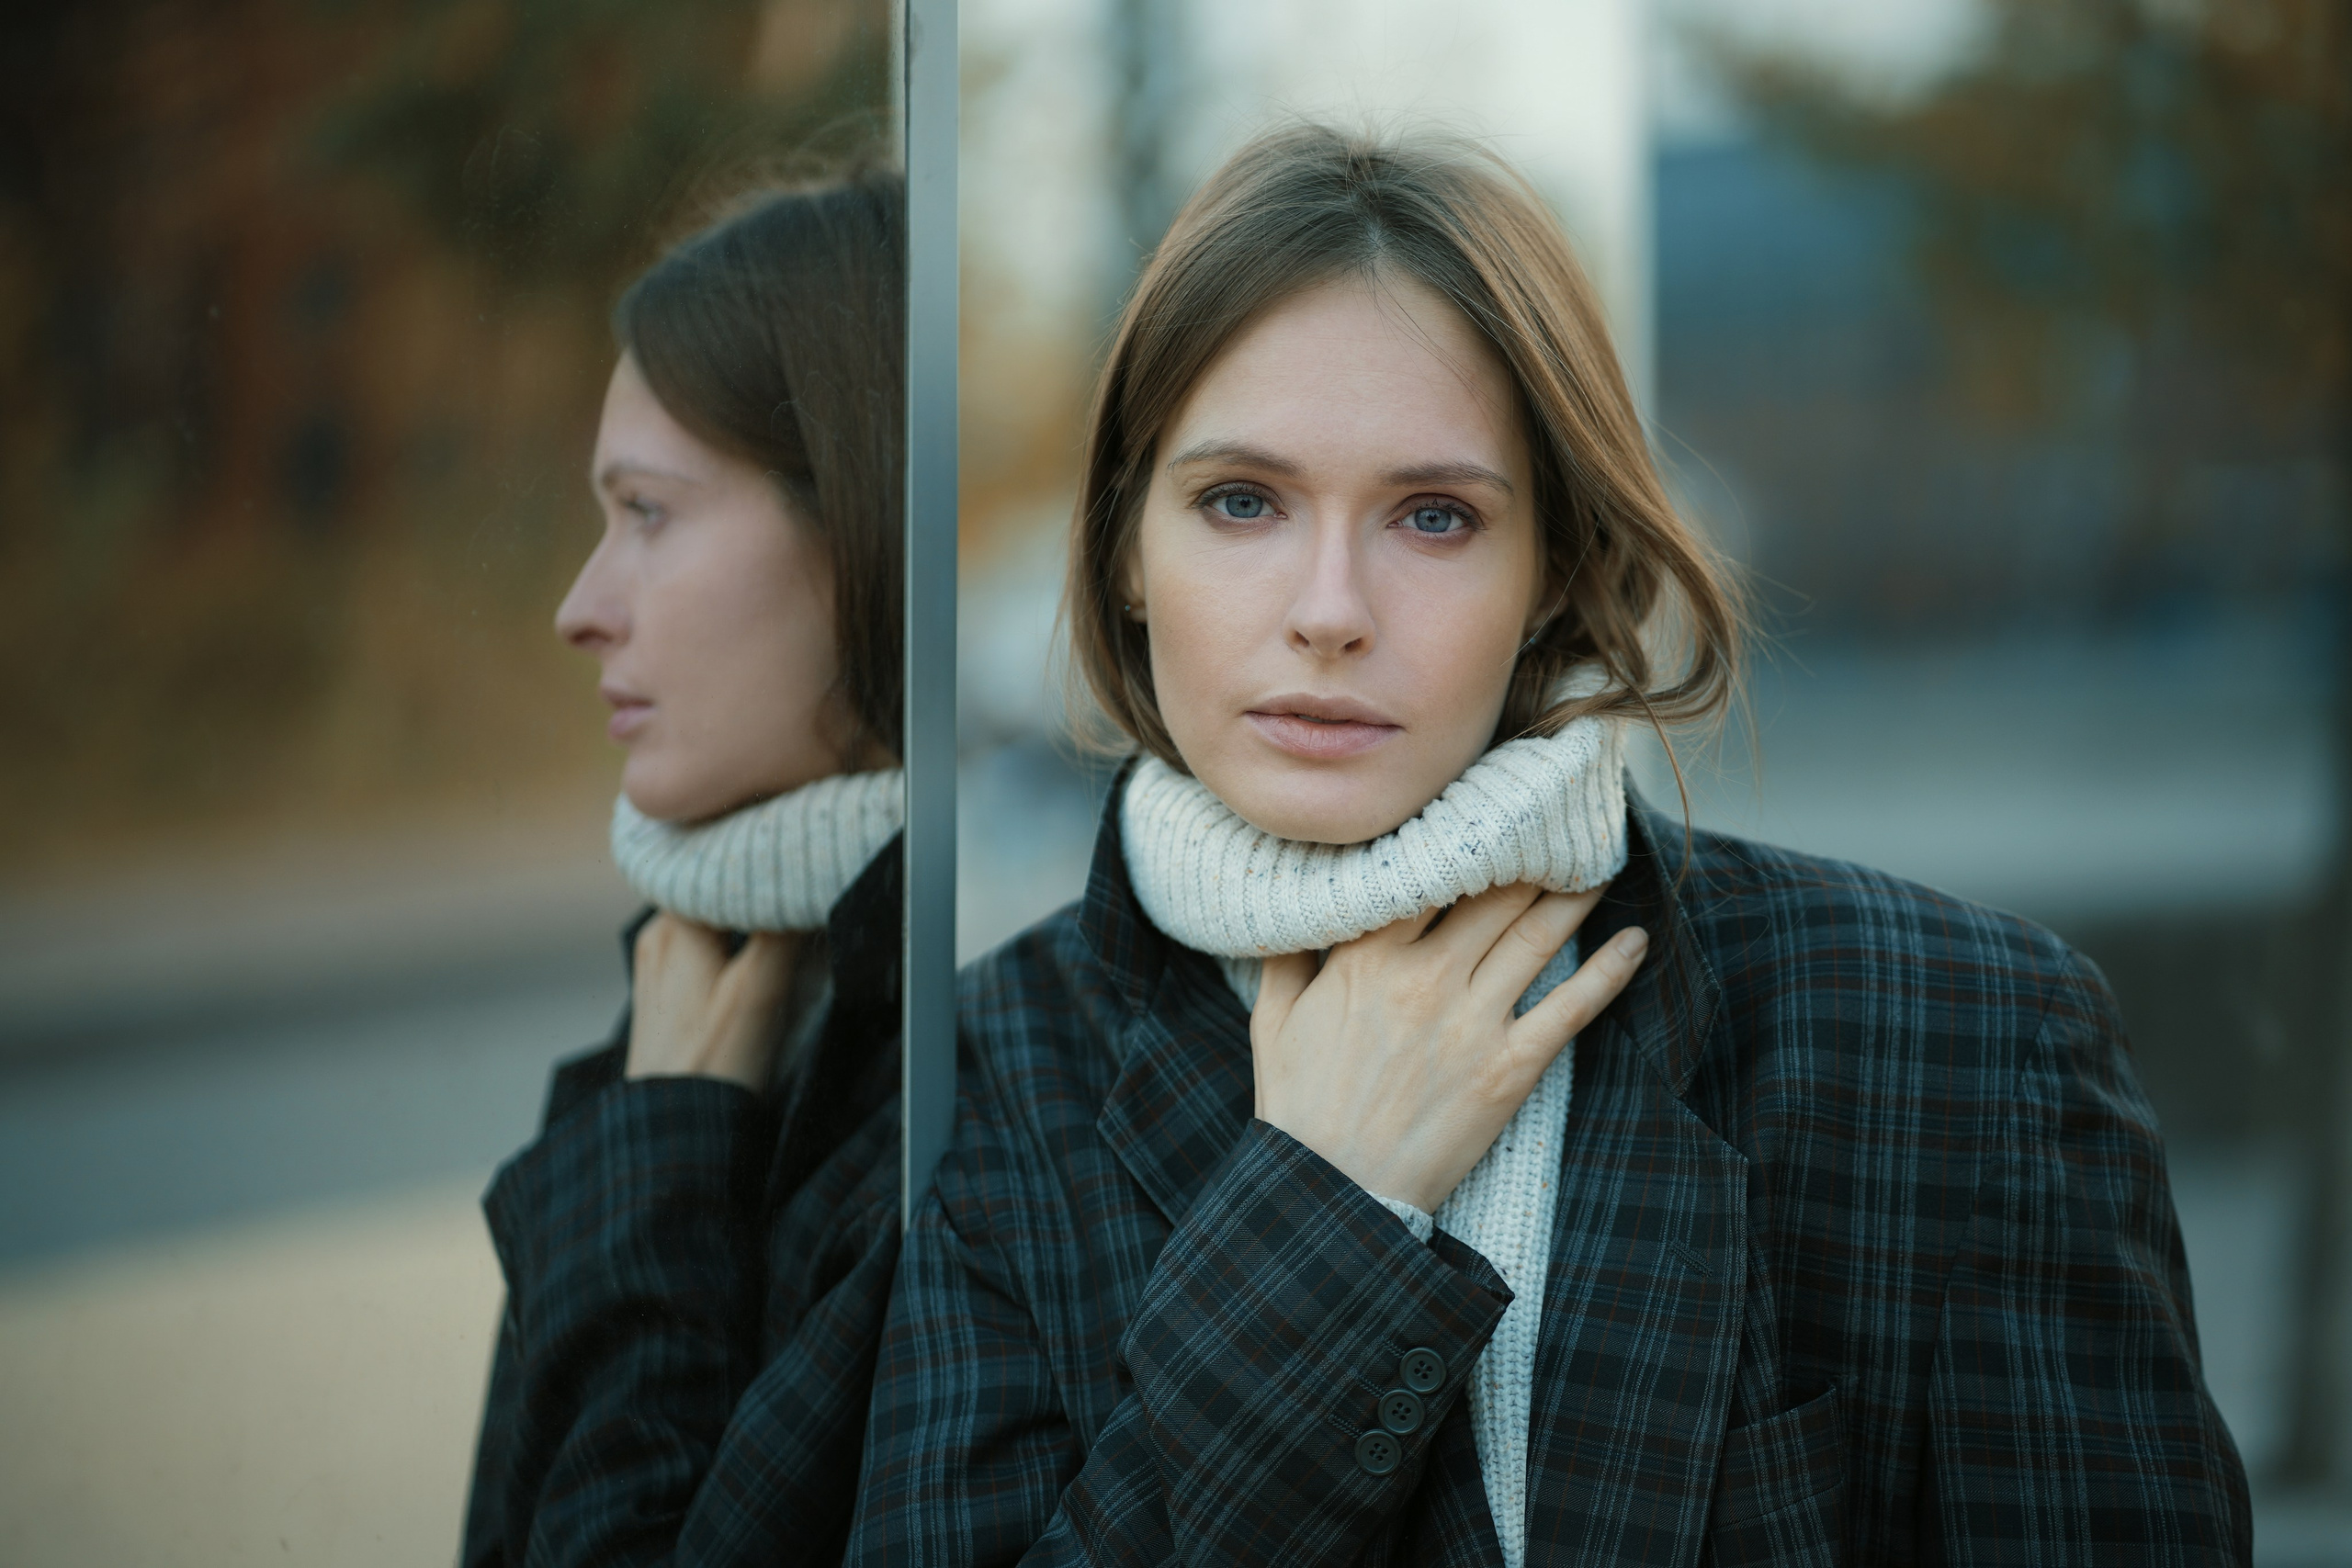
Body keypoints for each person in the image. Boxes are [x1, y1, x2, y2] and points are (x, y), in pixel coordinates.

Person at [848, 126, 2247, 1564]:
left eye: (1435, 515)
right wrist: (1322, 1215)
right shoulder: (985, 1079)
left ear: (1557, 571)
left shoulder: (1959, 1043)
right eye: (1241, 502)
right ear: (1127, 550)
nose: (1329, 607)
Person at [462, 169, 906, 1568]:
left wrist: (668, 1156)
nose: (580, 611)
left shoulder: (965, 1061)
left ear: (867, 520)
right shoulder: (703, 971)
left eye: (647, 513)